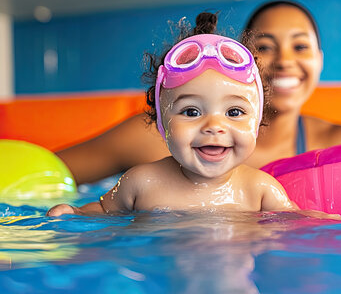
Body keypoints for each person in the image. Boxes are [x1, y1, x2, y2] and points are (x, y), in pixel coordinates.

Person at [56, 0, 341, 185]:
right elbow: (40, 177)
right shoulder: (152, 138)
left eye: (300, 47)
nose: (285, 61)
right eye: (264, 47)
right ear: (240, 59)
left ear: (319, 61)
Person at [47, 13, 295, 216]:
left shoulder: (260, 190)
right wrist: (74, 214)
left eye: (234, 112)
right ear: (162, 124)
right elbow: (102, 209)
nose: (214, 125)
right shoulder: (141, 183)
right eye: (191, 111)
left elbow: (299, 225)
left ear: (257, 123)